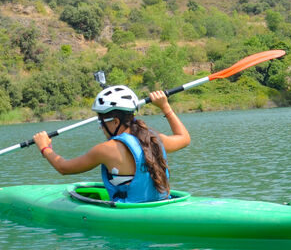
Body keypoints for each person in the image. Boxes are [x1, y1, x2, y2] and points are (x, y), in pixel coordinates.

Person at [32, 85, 190, 203]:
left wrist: (45, 147)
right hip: (163, 204)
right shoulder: (154, 139)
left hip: (131, 213)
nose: (101, 127)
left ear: (115, 121)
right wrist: (165, 106)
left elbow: (63, 168)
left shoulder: (106, 149)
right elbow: (184, 138)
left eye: (101, 122)